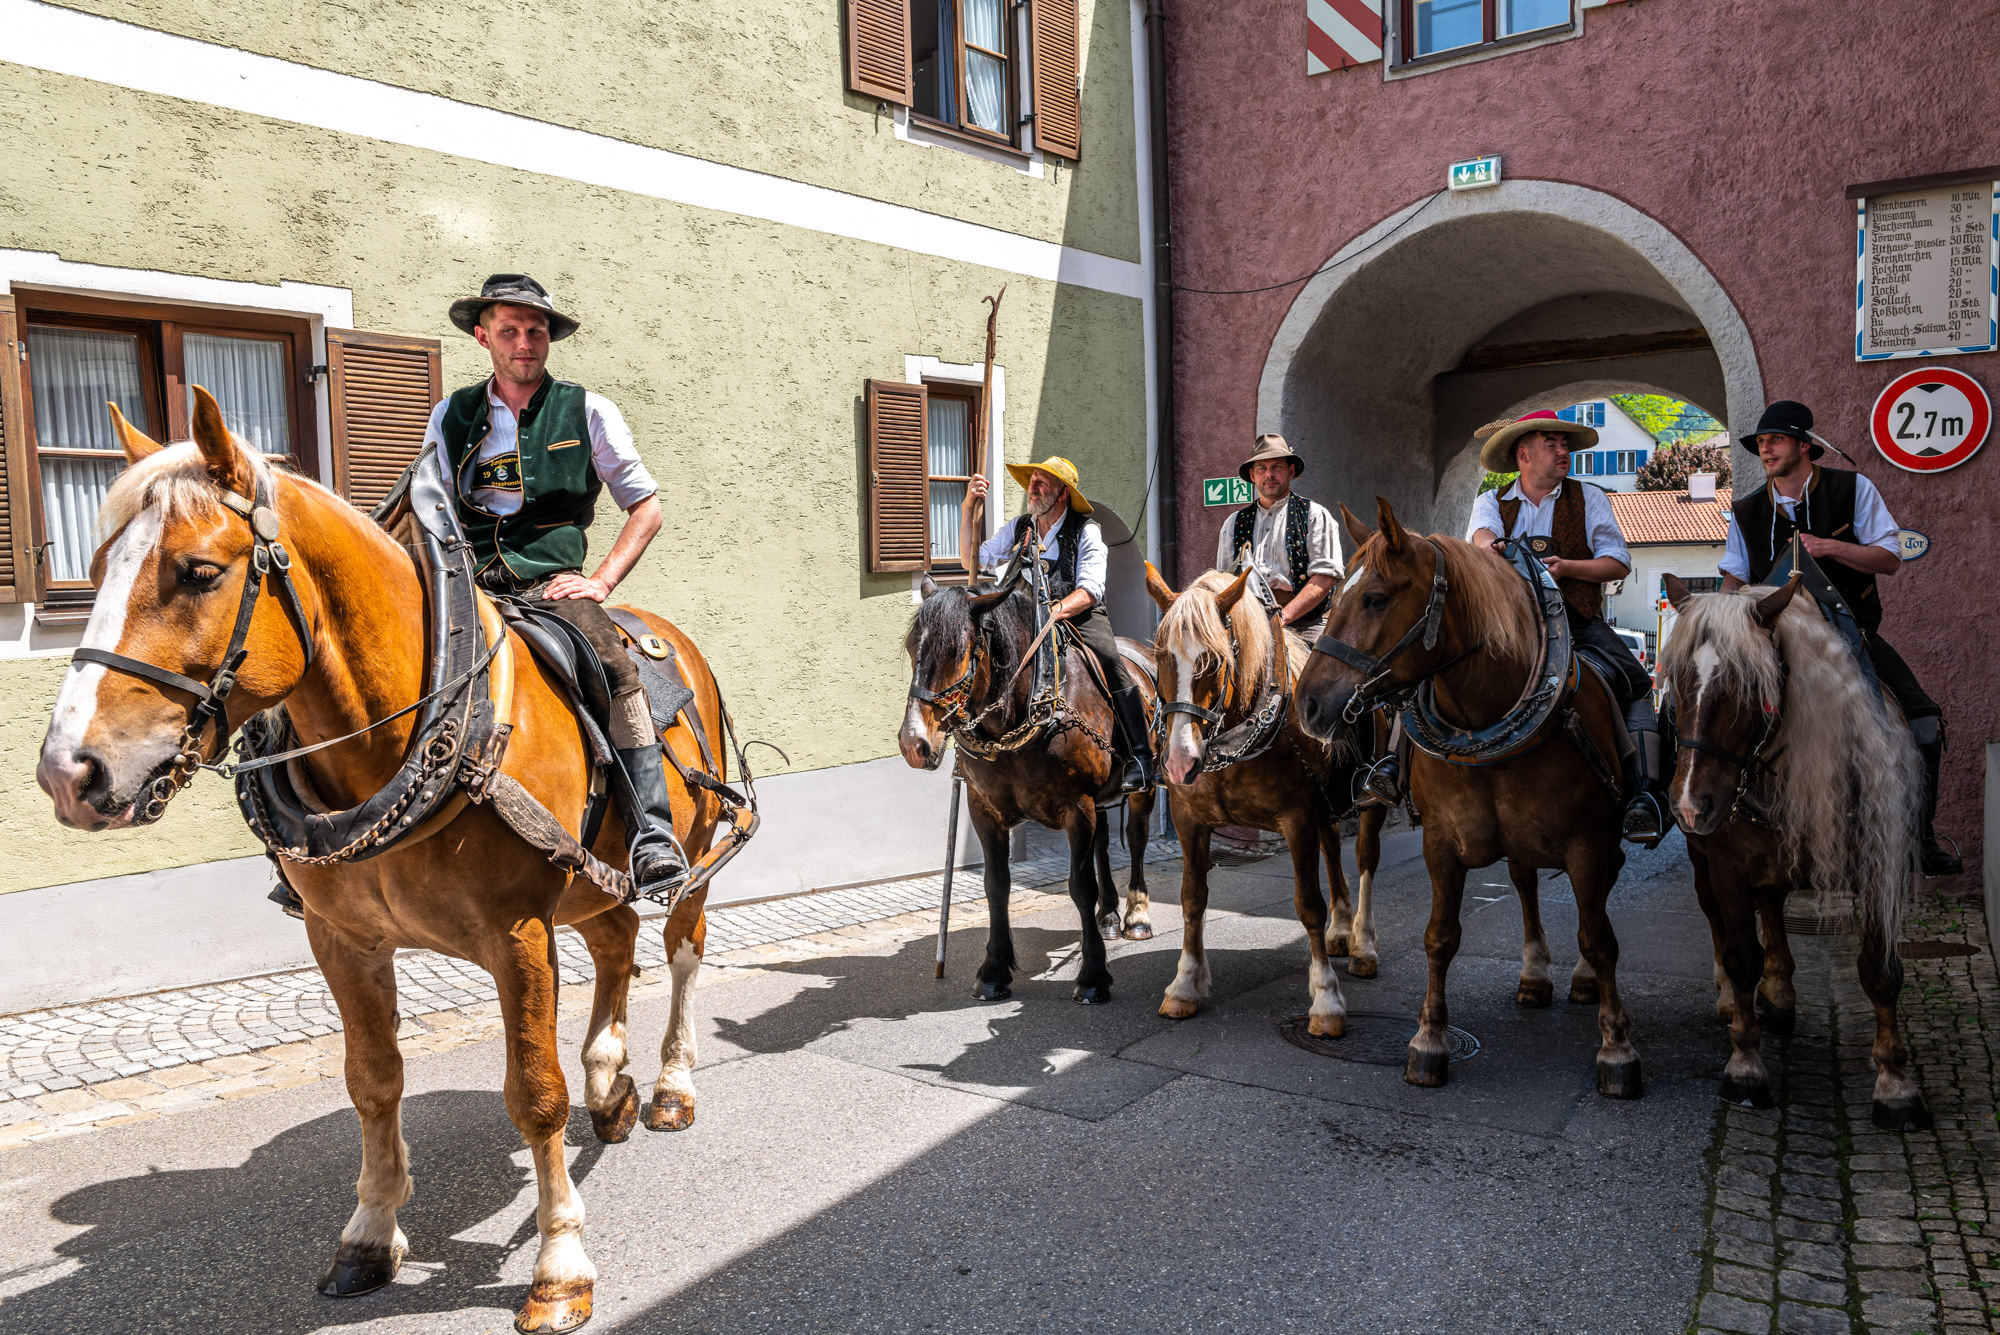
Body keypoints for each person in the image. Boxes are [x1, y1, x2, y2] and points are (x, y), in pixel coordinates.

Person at [424, 273, 687, 896]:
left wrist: (600, 581)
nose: (523, 343)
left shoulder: (587, 410)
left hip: (550, 586)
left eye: (535, 332)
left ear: (548, 339)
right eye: (509, 331)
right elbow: (431, 505)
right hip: (467, 581)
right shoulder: (452, 413)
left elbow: (646, 508)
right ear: (484, 337)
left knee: (615, 668)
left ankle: (651, 832)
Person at [1721, 400, 1961, 876]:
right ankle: (1704, 813)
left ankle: (1920, 839)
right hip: (1774, 639)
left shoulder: (1853, 489)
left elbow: (1890, 558)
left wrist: (1829, 547)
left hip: (1852, 632)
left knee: (1923, 721)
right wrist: (1719, 616)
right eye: (1761, 442)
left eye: (1776, 440)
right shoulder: (1746, 510)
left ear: (1804, 446)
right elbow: (1734, 578)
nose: (1765, 449)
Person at [1466, 410, 1666, 843]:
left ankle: (1645, 794)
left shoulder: (1589, 497)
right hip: (1507, 621)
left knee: (1636, 682)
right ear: (1523, 455)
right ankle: (1394, 771)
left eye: (1565, 444)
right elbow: (1481, 538)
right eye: (1552, 443)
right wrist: (1490, 547)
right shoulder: (1491, 501)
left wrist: (1568, 568)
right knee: (1438, 661)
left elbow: (1618, 562)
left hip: (1574, 617)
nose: (1564, 452)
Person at [960, 457, 1156, 792]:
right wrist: (968, 508)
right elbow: (972, 560)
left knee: (1112, 663)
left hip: (1077, 616)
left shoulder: (1086, 530)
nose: (1032, 488)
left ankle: (1140, 756)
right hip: (1024, 620)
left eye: (1041, 483)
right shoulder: (1021, 527)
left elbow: (1090, 590)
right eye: (1031, 481)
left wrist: (1056, 609)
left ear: (1062, 493)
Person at [1213, 434, 1343, 639]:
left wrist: (1283, 617)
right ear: (1252, 475)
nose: (1269, 474)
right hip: (1249, 625)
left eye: (1277, 467)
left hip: (1305, 624)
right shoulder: (1234, 523)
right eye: (1261, 468)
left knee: (1320, 659)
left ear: (1290, 471)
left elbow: (1325, 577)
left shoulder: (1314, 515)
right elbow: (1224, 581)